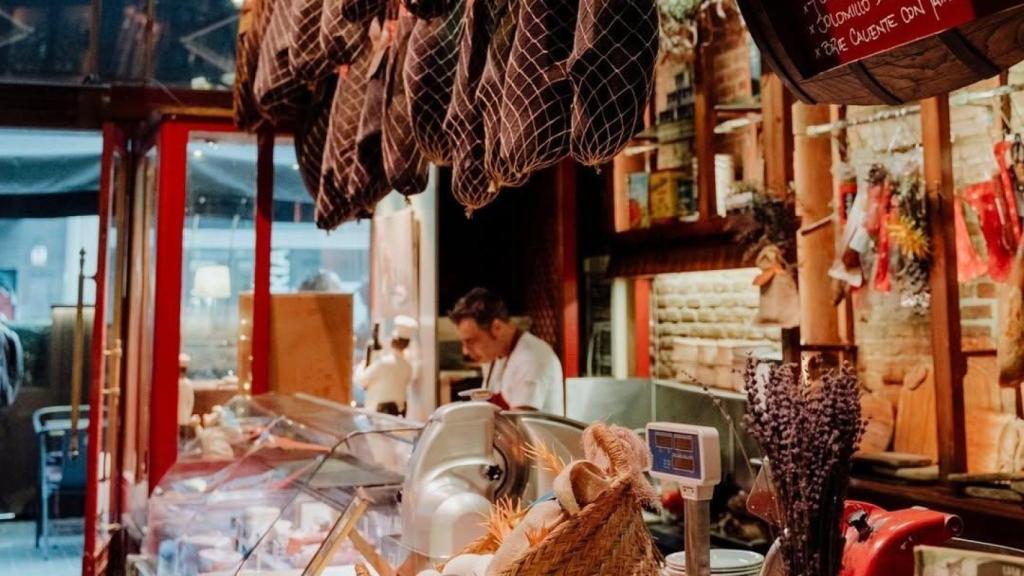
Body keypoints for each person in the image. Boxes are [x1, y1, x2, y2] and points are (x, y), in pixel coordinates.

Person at [449, 288, 564, 414]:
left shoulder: (531, 359)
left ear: (497, 328)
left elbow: (518, 422)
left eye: (471, 341)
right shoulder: (494, 355)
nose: (465, 351)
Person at [355, 315, 418, 416]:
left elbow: (361, 381)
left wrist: (363, 364)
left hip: (378, 416)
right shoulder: (408, 368)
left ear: (392, 341)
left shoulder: (383, 363)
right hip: (397, 416)